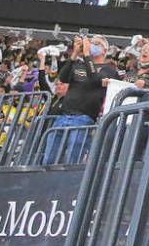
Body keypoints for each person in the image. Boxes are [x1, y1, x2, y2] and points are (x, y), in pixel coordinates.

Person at [42, 35, 118, 164]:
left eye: (96, 43)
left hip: (83, 118)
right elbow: (63, 77)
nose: (91, 44)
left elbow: (95, 79)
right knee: (49, 158)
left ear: (105, 50)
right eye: (91, 42)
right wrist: (75, 53)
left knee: (73, 158)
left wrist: (87, 54)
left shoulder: (109, 70)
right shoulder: (79, 65)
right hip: (63, 116)